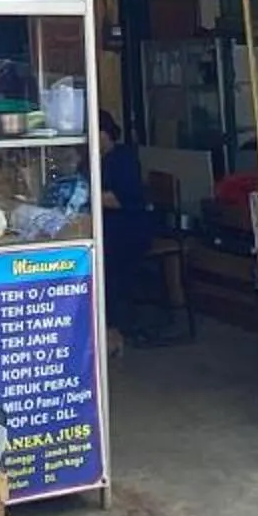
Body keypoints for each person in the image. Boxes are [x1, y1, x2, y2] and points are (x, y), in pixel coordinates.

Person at [99, 114, 179, 344]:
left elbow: (120, 199)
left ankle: (117, 324)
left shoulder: (123, 160)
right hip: (112, 226)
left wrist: (88, 196)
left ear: (105, 133)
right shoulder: (96, 159)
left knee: (107, 257)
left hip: (131, 229)